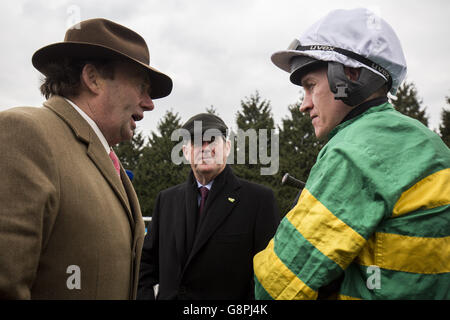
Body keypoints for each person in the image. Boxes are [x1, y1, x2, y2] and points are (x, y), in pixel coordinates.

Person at [254, 8, 450, 300]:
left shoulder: (354, 152)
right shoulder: (430, 144)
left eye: (310, 86)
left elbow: (277, 286)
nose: (303, 105)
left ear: (350, 75)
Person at [0, 18, 172, 299]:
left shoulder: (103, 157)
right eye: (142, 87)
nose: (149, 103)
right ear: (93, 79)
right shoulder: (23, 134)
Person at [138, 113, 280, 299]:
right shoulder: (166, 201)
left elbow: (269, 276)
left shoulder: (258, 200)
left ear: (227, 148)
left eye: (212, 142)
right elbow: (146, 265)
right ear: (186, 151)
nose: (205, 149)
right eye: (197, 143)